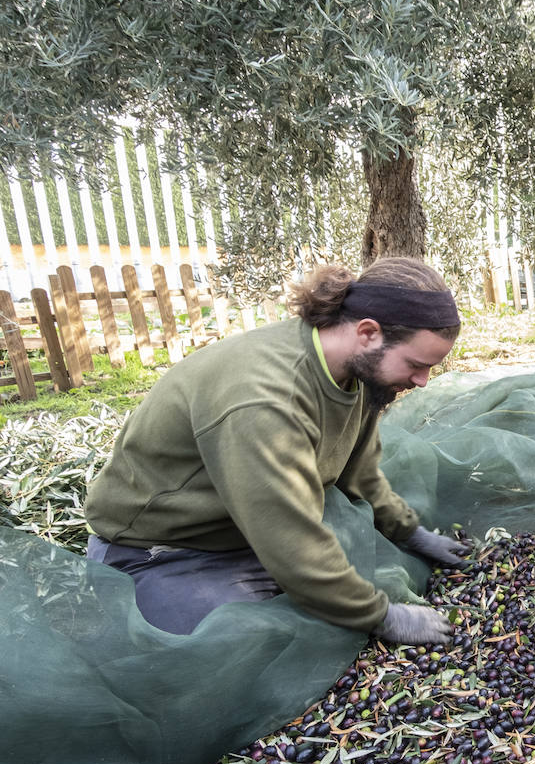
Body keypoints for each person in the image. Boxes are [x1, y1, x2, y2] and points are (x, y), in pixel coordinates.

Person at [85, 258, 469, 643]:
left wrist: (412, 534)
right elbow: (291, 542)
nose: (422, 381)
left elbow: (361, 475)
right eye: (416, 365)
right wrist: (385, 617)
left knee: (347, 579)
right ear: (368, 332)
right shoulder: (265, 401)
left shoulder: (354, 374)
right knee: (245, 646)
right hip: (159, 554)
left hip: (244, 536)